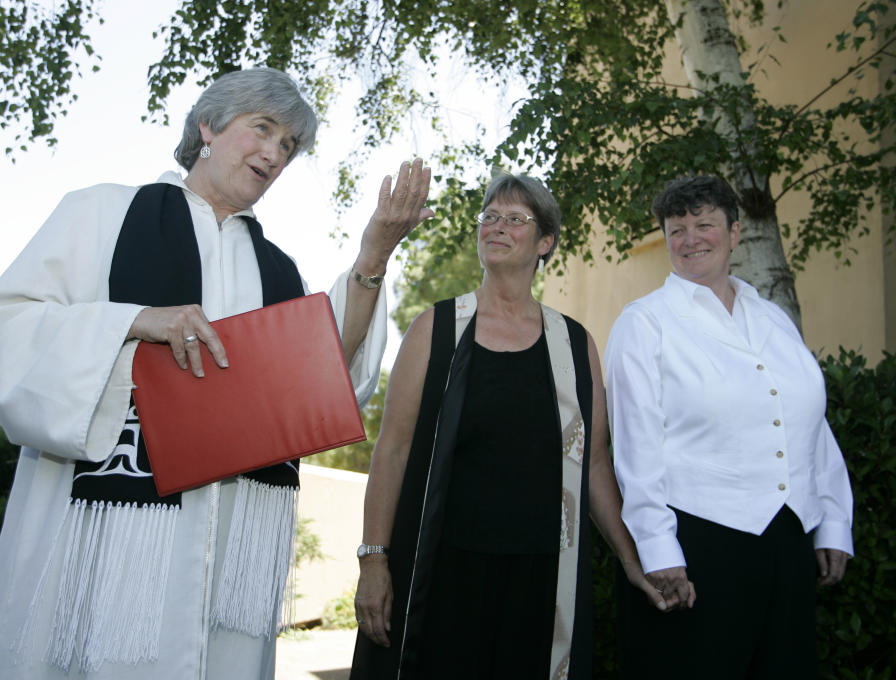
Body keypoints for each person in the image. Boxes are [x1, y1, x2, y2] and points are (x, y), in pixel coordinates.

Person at [0, 67, 432, 679]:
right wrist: (134, 320)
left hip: (227, 543)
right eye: (261, 128)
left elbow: (323, 377)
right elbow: (5, 328)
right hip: (101, 541)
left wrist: (373, 255)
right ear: (208, 126)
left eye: (288, 145)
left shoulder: (276, 268)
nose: (273, 153)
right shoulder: (103, 214)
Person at [349, 173, 665, 680]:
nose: (496, 227)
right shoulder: (437, 328)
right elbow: (392, 452)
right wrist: (373, 562)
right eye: (490, 217)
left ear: (545, 243)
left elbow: (596, 464)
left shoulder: (575, 345)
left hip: (540, 582)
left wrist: (632, 558)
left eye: (515, 219)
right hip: (441, 575)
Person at [605, 175, 854, 679]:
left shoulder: (773, 319)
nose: (690, 238)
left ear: (736, 232)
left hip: (787, 540)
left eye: (705, 224)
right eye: (677, 229)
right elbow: (636, 447)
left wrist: (832, 519)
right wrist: (657, 549)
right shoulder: (645, 322)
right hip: (696, 543)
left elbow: (808, 423)